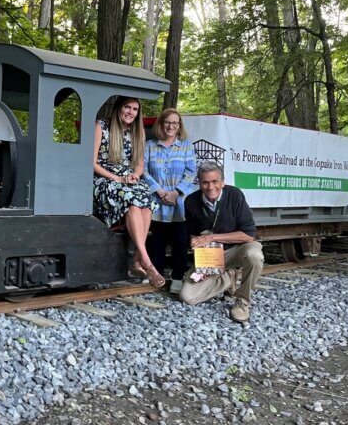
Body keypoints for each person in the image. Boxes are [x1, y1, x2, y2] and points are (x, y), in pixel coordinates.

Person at [180, 162, 264, 323]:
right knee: (187, 297)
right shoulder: (190, 201)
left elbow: (248, 235)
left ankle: (242, 301)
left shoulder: (235, 195)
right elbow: (193, 235)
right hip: (211, 257)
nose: (210, 187)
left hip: (237, 250)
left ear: (222, 182)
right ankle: (229, 277)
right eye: (205, 182)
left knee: (255, 255)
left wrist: (211, 237)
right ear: (199, 183)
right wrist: (203, 264)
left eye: (215, 181)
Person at [93, 96, 164, 287]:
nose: (130, 112)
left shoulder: (137, 131)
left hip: (128, 179)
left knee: (147, 202)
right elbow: (92, 163)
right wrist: (116, 179)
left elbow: (139, 165)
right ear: (118, 108)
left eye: (134, 109)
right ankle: (145, 262)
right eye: (127, 107)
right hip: (105, 179)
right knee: (133, 201)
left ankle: (138, 258)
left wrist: (134, 176)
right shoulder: (102, 126)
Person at [143, 109, 198, 295]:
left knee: (180, 242)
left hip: (179, 203)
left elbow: (191, 172)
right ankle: (156, 274)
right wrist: (159, 191)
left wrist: (175, 192)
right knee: (157, 241)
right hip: (156, 201)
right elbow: (142, 170)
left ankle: (177, 277)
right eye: (167, 122)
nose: (171, 126)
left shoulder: (186, 146)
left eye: (175, 123)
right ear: (161, 124)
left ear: (179, 126)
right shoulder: (150, 145)